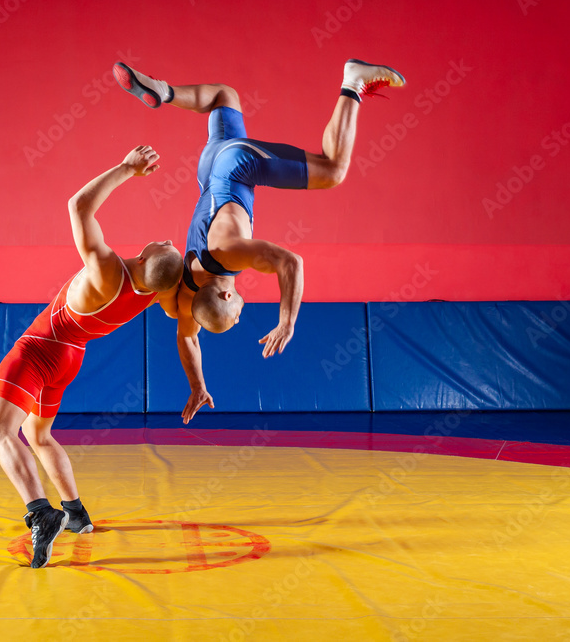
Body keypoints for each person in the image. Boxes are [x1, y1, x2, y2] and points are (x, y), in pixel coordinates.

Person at [114, 59, 404, 423]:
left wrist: (287, 322)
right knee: (225, 95)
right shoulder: (185, 293)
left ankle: (353, 82)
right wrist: (197, 386)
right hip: (208, 169)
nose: (239, 318)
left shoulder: (229, 254)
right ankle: (165, 91)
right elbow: (187, 339)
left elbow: (291, 262)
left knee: (333, 171)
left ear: (225, 294)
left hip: (237, 165)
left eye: (235, 316)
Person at [0, 145, 183, 568]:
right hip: (70, 360)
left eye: (166, 245)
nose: (168, 238)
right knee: (38, 436)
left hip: (39, 350)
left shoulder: (107, 270)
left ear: (147, 256)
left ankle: (41, 513)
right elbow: (189, 297)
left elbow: (78, 205)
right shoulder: (155, 296)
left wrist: (127, 169)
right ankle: (75, 513)